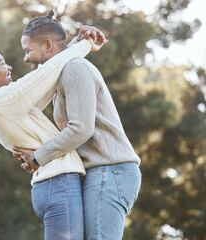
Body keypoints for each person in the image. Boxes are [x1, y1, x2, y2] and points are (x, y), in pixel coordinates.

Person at [0, 24, 106, 239]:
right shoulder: (1, 101)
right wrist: (86, 44)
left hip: (51, 186)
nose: (9, 67)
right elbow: (48, 73)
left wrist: (74, 44)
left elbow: (49, 78)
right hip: (58, 184)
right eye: (2, 63)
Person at [14, 10, 142, 240]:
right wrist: (77, 43)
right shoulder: (63, 72)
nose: (25, 58)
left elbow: (81, 129)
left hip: (110, 171)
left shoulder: (74, 69)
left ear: (48, 44)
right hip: (101, 172)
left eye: (28, 50)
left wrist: (38, 157)